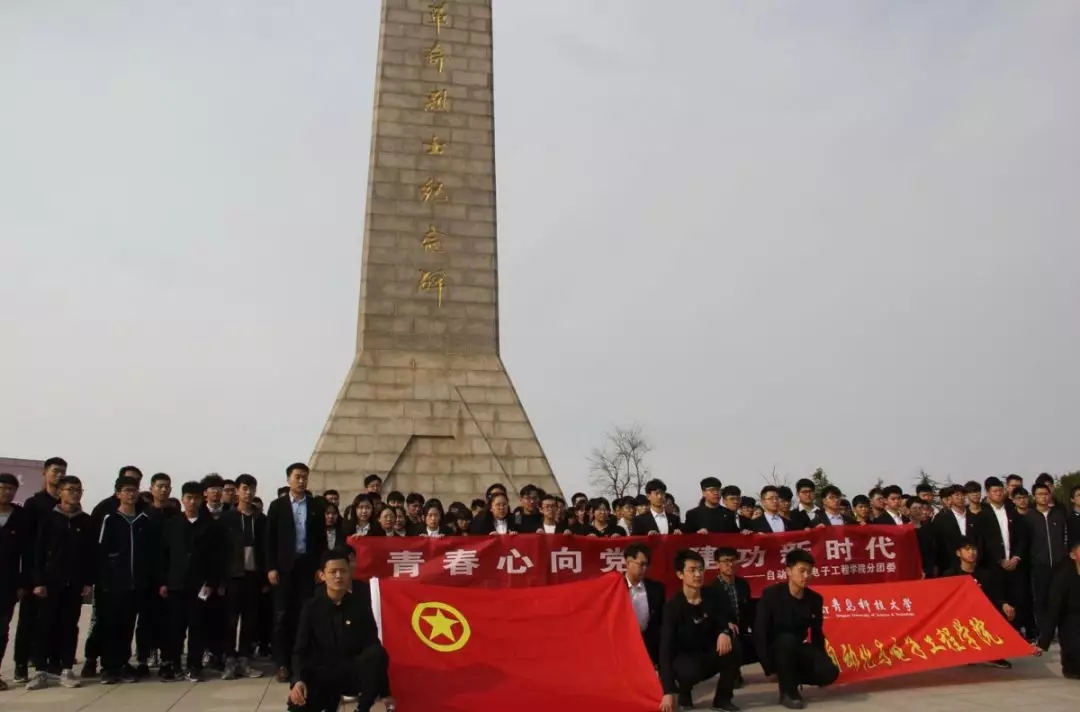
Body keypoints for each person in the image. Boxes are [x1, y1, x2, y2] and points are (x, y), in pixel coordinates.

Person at [288, 551, 393, 712]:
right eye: (333, 571)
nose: (338, 576)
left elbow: (374, 648)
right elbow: (300, 650)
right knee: (298, 704)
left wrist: (385, 692)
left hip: (351, 672)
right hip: (322, 672)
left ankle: (362, 709)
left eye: (343, 571)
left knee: (377, 653)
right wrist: (297, 681)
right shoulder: (311, 608)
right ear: (322, 576)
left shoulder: (360, 605)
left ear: (349, 573)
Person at [26, 475, 93, 691]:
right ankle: (40, 671)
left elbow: (90, 554)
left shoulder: (86, 521)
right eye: (70, 489)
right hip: (49, 582)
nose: (75, 493)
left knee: (69, 626)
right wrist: (38, 581)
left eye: (78, 490)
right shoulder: (48, 519)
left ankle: (66, 669)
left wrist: (88, 581)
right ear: (60, 492)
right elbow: (37, 552)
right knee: (44, 626)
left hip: (74, 583)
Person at [754, 548, 840, 710]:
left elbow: (816, 633)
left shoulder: (814, 599)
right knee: (787, 640)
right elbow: (760, 632)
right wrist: (768, 668)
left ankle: (789, 678)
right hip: (775, 648)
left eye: (809, 571)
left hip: (797, 647)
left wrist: (820, 659)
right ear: (788, 571)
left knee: (829, 671)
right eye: (801, 571)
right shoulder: (771, 594)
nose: (806, 576)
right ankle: (788, 693)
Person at [265, 463, 328, 682]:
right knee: (282, 616)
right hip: (283, 569)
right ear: (288, 479)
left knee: (305, 614)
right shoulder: (277, 506)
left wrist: (321, 567)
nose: (301, 481)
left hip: (307, 568)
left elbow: (321, 540)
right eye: (298, 477)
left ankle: (301, 662)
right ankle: (282, 663)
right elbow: (269, 540)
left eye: (305, 477)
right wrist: (271, 567)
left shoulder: (315, 506)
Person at [658, 549, 741, 712]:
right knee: (688, 671)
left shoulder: (713, 596)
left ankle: (722, 699)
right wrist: (668, 691)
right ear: (680, 574)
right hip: (685, 658)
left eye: (700, 569)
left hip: (708, 653)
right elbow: (665, 648)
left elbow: (724, 621)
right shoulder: (672, 606)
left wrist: (724, 632)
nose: (698, 574)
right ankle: (684, 692)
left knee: (734, 647)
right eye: (692, 570)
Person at [158, 481, 222, 682]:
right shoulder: (172, 524)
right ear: (183, 499)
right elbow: (163, 556)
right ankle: (173, 663)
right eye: (189, 498)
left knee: (197, 626)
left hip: (200, 585)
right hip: (175, 584)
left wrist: (211, 583)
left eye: (196, 498)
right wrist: (163, 582)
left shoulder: (210, 526)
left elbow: (216, 558)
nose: (192, 502)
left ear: (202, 499)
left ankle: (194, 665)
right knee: (174, 627)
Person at [95, 474, 155, 685]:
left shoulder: (143, 520)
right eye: (127, 491)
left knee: (128, 626)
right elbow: (100, 551)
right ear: (118, 494)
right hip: (113, 584)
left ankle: (123, 663)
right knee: (111, 625)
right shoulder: (110, 519)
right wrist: (104, 579)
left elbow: (149, 553)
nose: (131, 494)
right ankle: (109, 666)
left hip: (136, 584)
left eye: (134, 490)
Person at [12, 457, 67, 684]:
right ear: (45, 473)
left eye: (63, 471)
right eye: (55, 471)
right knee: (29, 620)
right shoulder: (35, 503)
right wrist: (31, 578)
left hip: (58, 574)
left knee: (53, 622)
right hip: (35, 572)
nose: (59, 475)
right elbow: (27, 543)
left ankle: (48, 664)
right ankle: (21, 664)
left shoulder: (66, 504)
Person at [220, 473, 267, 680]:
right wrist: (220, 579)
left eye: (251, 489)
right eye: (244, 489)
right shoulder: (227, 518)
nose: (248, 493)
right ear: (237, 491)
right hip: (233, 576)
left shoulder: (261, 519)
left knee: (250, 620)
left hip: (253, 576)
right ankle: (229, 660)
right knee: (230, 620)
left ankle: (245, 660)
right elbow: (219, 552)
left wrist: (265, 577)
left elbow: (266, 549)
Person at [941, 537, 1014, 669]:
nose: (971, 552)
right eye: (967, 549)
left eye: (974, 549)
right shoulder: (950, 575)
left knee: (1003, 612)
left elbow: (995, 596)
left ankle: (994, 655)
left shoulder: (985, 575)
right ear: (958, 553)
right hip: (958, 615)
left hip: (980, 614)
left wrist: (1004, 604)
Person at [0, 471, 33, 691]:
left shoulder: (20, 516)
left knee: (1, 629)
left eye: (11, 488)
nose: (6, 492)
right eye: (2, 487)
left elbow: (27, 553)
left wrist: (23, 583)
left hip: (7, 583)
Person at [1035, 539, 1080, 679]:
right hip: (1070, 624)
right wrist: (1043, 642)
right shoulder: (1063, 577)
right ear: (1073, 556)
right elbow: (1054, 610)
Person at [711, 547, 756, 686]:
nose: (729, 564)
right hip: (722, 631)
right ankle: (732, 674)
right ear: (717, 564)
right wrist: (725, 625)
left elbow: (748, 610)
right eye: (725, 561)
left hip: (742, 628)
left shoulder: (743, 584)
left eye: (732, 560)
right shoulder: (711, 589)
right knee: (731, 637)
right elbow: (712, 614)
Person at [623, 543, 664, 665]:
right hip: (623, 647)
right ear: (628, 562)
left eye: (646, 564)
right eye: (641, 564)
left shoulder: (657, 589)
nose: (644, 568)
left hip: (650, 650)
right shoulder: (615, 588)